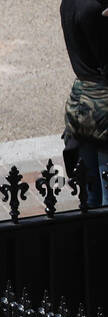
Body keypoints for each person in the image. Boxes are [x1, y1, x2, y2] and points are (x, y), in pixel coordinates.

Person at [61, 0, 108, 206]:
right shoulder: (95, 10)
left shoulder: (68, 3)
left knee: (90, 193)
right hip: (103, 106)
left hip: (81, 102)